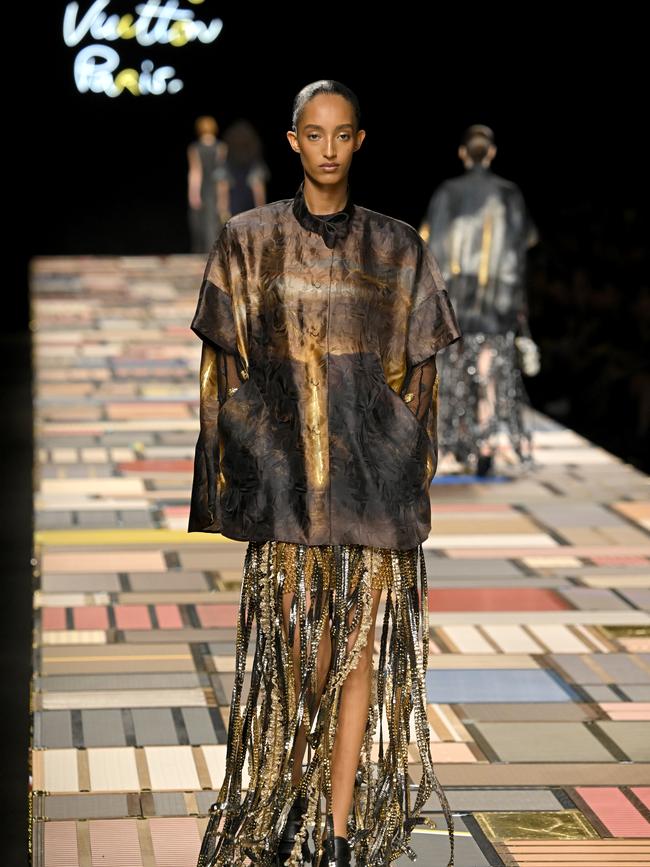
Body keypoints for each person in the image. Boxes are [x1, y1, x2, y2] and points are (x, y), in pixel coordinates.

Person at [188, 80, 462, 867]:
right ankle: (296, 792)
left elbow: (421, 374)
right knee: (302, 649)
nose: (330, 148)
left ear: (360, 141)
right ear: (294, 140)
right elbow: (224, 365)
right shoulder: (249, 241)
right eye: (316, 134)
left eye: (343, 134)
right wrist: (241, 468)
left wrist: (405, 461)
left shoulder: (397, 247)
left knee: (358, 652)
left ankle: (336, 827)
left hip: (372, 485)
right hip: (286, 484)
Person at [420, 124, 539, 476]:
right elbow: (523, 244)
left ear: (461, 153)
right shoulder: (508, 194)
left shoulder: (447, 193)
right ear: (491, 153)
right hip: (496, 294)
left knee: (455, 363)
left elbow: (429, 243)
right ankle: (485, 441)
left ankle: (459, 439)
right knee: (487, 365)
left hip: (456, 293)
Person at [217, 119, 271, 225]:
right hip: (249, 213)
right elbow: (258, 192)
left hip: (234, 213)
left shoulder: (227, 165)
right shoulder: (255, 165)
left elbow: (223, 189)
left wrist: (223, 211)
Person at [187, 115, 228, 253]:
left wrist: (193, 194)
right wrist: (224, 193)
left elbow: (195, 172)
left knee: (203, 222)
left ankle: (205, 254)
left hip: (204, 187)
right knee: (216, 219)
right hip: (217, 186)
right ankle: (214, 254)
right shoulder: (221, 147)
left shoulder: (195, 148)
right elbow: (221, 172)